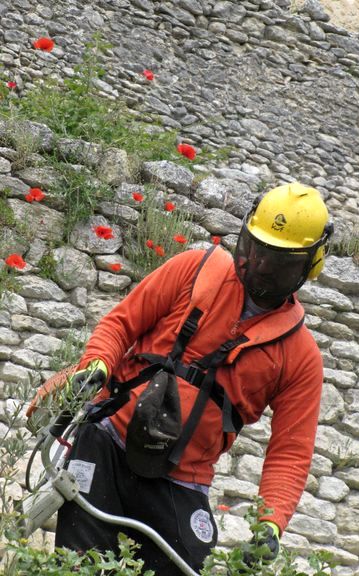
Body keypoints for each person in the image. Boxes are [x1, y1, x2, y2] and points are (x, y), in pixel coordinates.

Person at [28, 181, 333, 575]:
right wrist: (99, 363)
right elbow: (121, 324)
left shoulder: (300, 356)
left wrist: (270, 525)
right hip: (105, 444)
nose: (258, 263)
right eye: (255, 248)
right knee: (74, 569)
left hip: (182, 480)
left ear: (309, 265)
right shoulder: (195, 269)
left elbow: (289, 453)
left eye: (277, 260)